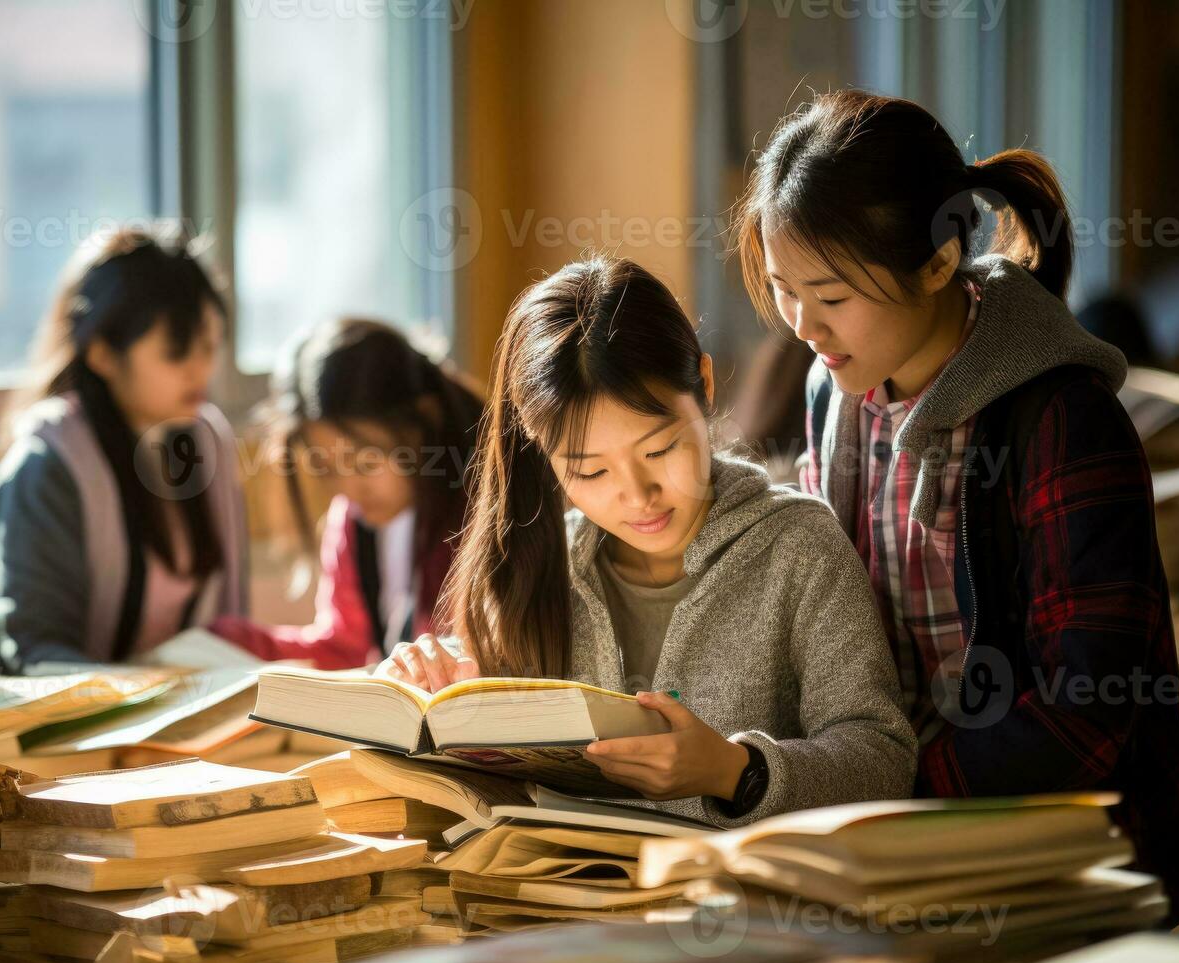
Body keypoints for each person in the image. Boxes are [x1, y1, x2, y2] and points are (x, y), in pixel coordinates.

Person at [735, 88, 1179, 921]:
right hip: (895, 844)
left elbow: (1085, 716)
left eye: (833, 295)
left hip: (1071, 864)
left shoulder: (1059, 419)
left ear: (935, 262)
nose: (804, 325)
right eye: (784, 290)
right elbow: (825, 621)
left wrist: (886, 782)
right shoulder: (834, 391)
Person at [377, 256, 915, 827]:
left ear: (703, 386)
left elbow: (884, 759)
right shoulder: (539, 565)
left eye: (659, 451)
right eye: (590, 472)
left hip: (749, 905)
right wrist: (442, 693)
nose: (638, 496)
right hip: (564, 901)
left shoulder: (798, 545)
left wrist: (736, 771)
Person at [0, 225, 247, 671]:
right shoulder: (47, 465)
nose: (201, 370)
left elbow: (234, 622)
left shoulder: (208, 438)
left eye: (208, 347)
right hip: (80, 722)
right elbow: (36, 656)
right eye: (176, 352)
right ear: (102, 354)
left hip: (188, 713)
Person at [210, 319, 483, 668]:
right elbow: (344, 646)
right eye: (325, 469)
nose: (349, 489)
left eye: (366, 463)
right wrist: (226, 639)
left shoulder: (486, 516)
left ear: (421, 426)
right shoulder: (354, 520)